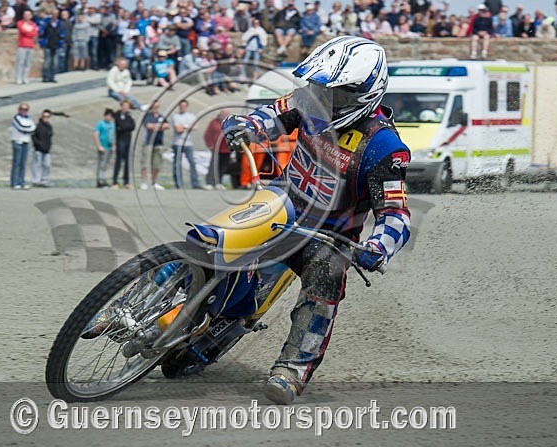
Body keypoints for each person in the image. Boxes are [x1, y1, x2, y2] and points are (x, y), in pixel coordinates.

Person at [221, 36, 411, 404]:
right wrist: (247, 124)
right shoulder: (313, 100)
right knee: (221, 234)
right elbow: (273, 113)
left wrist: (377, 247)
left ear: (362, 95)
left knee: (325, 280)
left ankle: (291, 370)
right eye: (319, 89)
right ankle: (141, 300)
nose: (321, 99)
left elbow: (395, 213)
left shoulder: (384, 147)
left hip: (327, 237)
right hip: (282, 204)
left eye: (333, 94)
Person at [171, 99, 204, 189]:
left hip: (188, 143)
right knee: (177, 164)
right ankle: (179, 184)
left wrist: (184, 127)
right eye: (181, 106)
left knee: (192, 162)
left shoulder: (191, 116)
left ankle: (195, 183)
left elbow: (196, 127)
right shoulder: (175, 116)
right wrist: (188, 127)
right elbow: (178, 129)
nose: (182, 107)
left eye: (184, 106)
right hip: (177, 143)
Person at [140, 101, 170, 190]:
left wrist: (156, 127)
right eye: (154, 107)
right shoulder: (147, 116)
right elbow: (148, 126)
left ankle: (154, 182)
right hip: (148, 142)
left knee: (157, 164)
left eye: (157, 107)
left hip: (159, 143)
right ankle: (144, 182)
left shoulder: (161, 116)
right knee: (145, 163)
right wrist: (160, 127)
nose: (155, 108)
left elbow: (167, 125)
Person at [203, 107, 236, 189]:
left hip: (227, 148)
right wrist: (209, 144)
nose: (224, 115)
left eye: (226, 113)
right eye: (223, 113)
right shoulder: (214, 122)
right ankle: (210, 183)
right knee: (214, 166)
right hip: (216, 148)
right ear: (220, 114)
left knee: (223, 166)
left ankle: (219, 183)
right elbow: (207, 134)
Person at [10, 102, 36, 189]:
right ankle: (14, 182)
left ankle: (21, 182)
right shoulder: (16, 118)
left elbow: (33, 128)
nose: (23, 111)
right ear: (19, 109)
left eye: (25, 109)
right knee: (16, 163)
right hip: (17, 141)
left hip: (26, 141)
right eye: (22, 109)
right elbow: (21, 127)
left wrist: (28, 130)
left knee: (23, 163)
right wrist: (28, 129)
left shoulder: (29, 119)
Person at [112, 99, 136, 189]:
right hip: (120, 139)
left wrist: (125, 126)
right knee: (118, 161)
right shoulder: (118, 114)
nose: (125, 107)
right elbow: (120, 125)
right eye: (124, 105)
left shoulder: (130, 115)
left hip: (128, 139)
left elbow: (133, 126)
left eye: (127, 106)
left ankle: (127, 181)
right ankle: (115, 181)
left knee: (127, 161)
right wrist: (125, 126)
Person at [39, 9, 63, 83]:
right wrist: (42, 43)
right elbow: (41, 33)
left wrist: (61, 43)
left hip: (56, 45)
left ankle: (52, 77)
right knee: (47, 62)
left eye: (56, 14)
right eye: (54, 14)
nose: (55, 15)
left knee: (55, 63)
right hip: (48, 44)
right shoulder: (46, 22)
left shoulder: (59, 23)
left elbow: (62, 34)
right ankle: (45, 77)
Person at [31, 109, 54, 187]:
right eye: (44, 116)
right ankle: (35, 181)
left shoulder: (49, 127)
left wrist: (49, 146)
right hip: (38, 149)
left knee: (47, 165)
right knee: (37, 165)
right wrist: (38, 144)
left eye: (47, 116)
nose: (46, 118)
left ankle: (44, 181)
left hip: (47, 149)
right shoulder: (38, 126)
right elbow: (33, 136)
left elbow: (50, 137)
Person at [15, 10, 39, 85]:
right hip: (22, 45)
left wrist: (30, 33)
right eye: (25, 15)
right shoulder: (20, 23)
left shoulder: (33, 24)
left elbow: (35, 33)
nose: (27, 16)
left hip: (30, 45)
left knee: (28, 63)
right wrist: (30, 33)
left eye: (28, 15)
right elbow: (23, 31)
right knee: (20, 62)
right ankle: (18, 78)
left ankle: (25, 77)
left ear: (31, 16)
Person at [94, 107, 115, 188]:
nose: (109, 117)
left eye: (110, 116)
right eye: (108, 115)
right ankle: (100, 180)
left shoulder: (113, 125)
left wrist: (114, 146)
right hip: (103, 146)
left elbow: (114, 136)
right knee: (101, 163)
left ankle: (103, 178)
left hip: (109, 146)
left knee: (106, 164)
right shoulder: (100, 123)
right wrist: (99, 146)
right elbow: (96, 134)